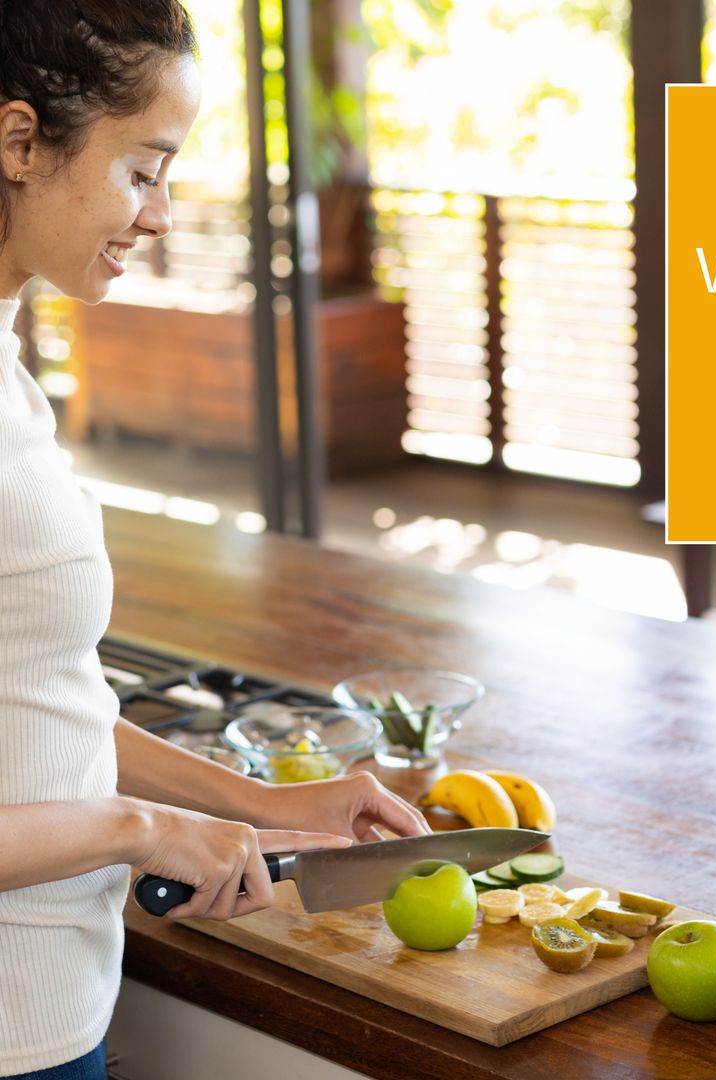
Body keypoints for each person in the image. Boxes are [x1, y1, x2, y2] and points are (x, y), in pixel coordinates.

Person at [0, 3, 430, 1077]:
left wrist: (263, 801)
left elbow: (39, 713)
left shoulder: (9, 375)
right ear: (18, 143)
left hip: (53, 1006)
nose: (158, 214)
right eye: (142, 171)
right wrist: (141, 832)